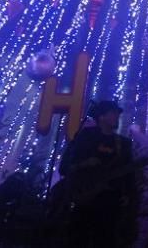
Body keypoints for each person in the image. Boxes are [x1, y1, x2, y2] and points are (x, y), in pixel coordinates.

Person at [58, 99, 136, 247]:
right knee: (78, 238)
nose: (116, 117)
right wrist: (86, 163)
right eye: (113, 113)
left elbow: (129, 172)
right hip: (84, 198)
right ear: (101, 116)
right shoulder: (85, 137)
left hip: (110, 201)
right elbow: (65, 167)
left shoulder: (123, 144)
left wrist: (128, 193)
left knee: (106, 237)